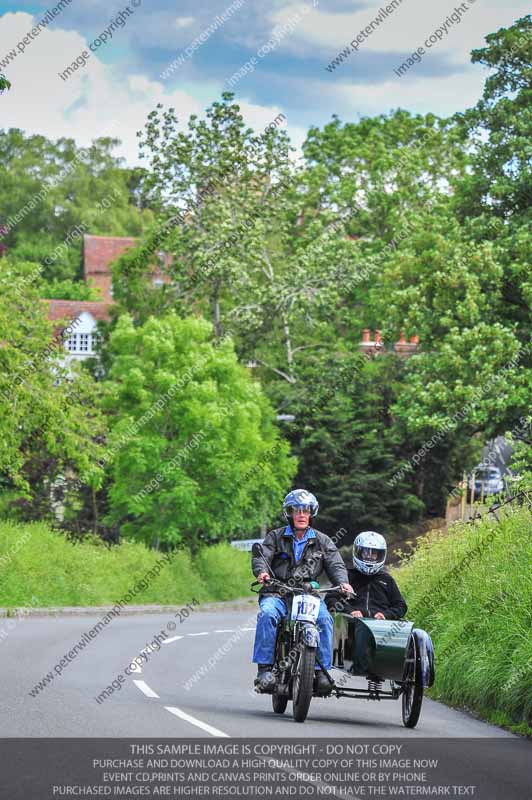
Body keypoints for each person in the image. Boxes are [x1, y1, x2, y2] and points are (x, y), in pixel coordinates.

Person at [251, 489, 353, 694]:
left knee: (324, 620)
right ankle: (264, 670)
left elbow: (336, 565)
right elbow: (261, 556)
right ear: (288, 513)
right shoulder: (275, 536)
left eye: (306, 510)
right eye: (296, 510)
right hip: (277, 591)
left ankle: (321, 672)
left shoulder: (323, 541)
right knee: (267, 613)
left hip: (308, 593)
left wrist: (343, 583)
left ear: (311, 513)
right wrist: (262, 572)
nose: (301, 514)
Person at [329, 530, 407, 620]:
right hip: (352, 624)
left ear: (380, 555)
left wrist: (385, 615)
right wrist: (350, 611)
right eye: (366, 552)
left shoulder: (386, 579)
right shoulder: (346, 577)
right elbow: (330, 599)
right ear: (358, 552)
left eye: (373, 553)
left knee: (419, 634)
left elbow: (401, 606)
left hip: (381, 627)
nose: (369, 556)